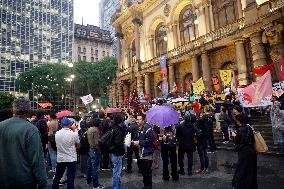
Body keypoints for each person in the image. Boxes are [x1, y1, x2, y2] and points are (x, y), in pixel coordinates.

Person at [0, 97, 47, 188]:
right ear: (29, 111)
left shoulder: (1, 126)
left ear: (12, 109)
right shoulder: (31, 130)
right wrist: (42, 183)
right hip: (24, 182)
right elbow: (37, 161)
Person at [52, 117, 80, 189]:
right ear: (69, 124)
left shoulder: (57, 133)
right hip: (71, 158)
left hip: (61, 158)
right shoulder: (74, 134)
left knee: (58, 176)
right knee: (70, 177)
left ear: (61, 125)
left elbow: (56, 144)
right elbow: (78, 145)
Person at [232, 114, 258, 189]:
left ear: (239, 120)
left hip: (244, 152)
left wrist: (234, 136)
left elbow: (239, 143)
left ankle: (241, 186)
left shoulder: (240, 129)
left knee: (242, 170)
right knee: (251, 170)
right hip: (252, 151)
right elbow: (252, 140)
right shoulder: (249, 127)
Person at [133, 115, 154, 189]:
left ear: (143, 120)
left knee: (147, 171)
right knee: (144, 171)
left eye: (140, 119)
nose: (138, 121)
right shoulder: (139, 128)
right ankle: (146, 185)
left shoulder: (147, 128)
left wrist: (139, 142)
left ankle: (148, 186)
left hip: (147, 153)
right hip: (142, 153)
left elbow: (150, 141)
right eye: (137, 119)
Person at [110, 113, 127, 189]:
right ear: (121, 121)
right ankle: (116, 187)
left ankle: (117, 186)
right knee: (117, 172)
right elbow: (117, 142)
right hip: (117, 153)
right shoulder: (118, 130)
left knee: (116, 171)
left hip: (113, 152)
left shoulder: (112, 127)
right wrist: (123, 143)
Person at [87, 118, 104, 189]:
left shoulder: (89, 129)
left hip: (90, 148)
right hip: (94, 149)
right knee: (95, 168)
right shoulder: (95, 130)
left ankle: (88, 180)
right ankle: (95, 185)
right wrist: (100, 151)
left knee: (90, 166)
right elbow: (97, 143)